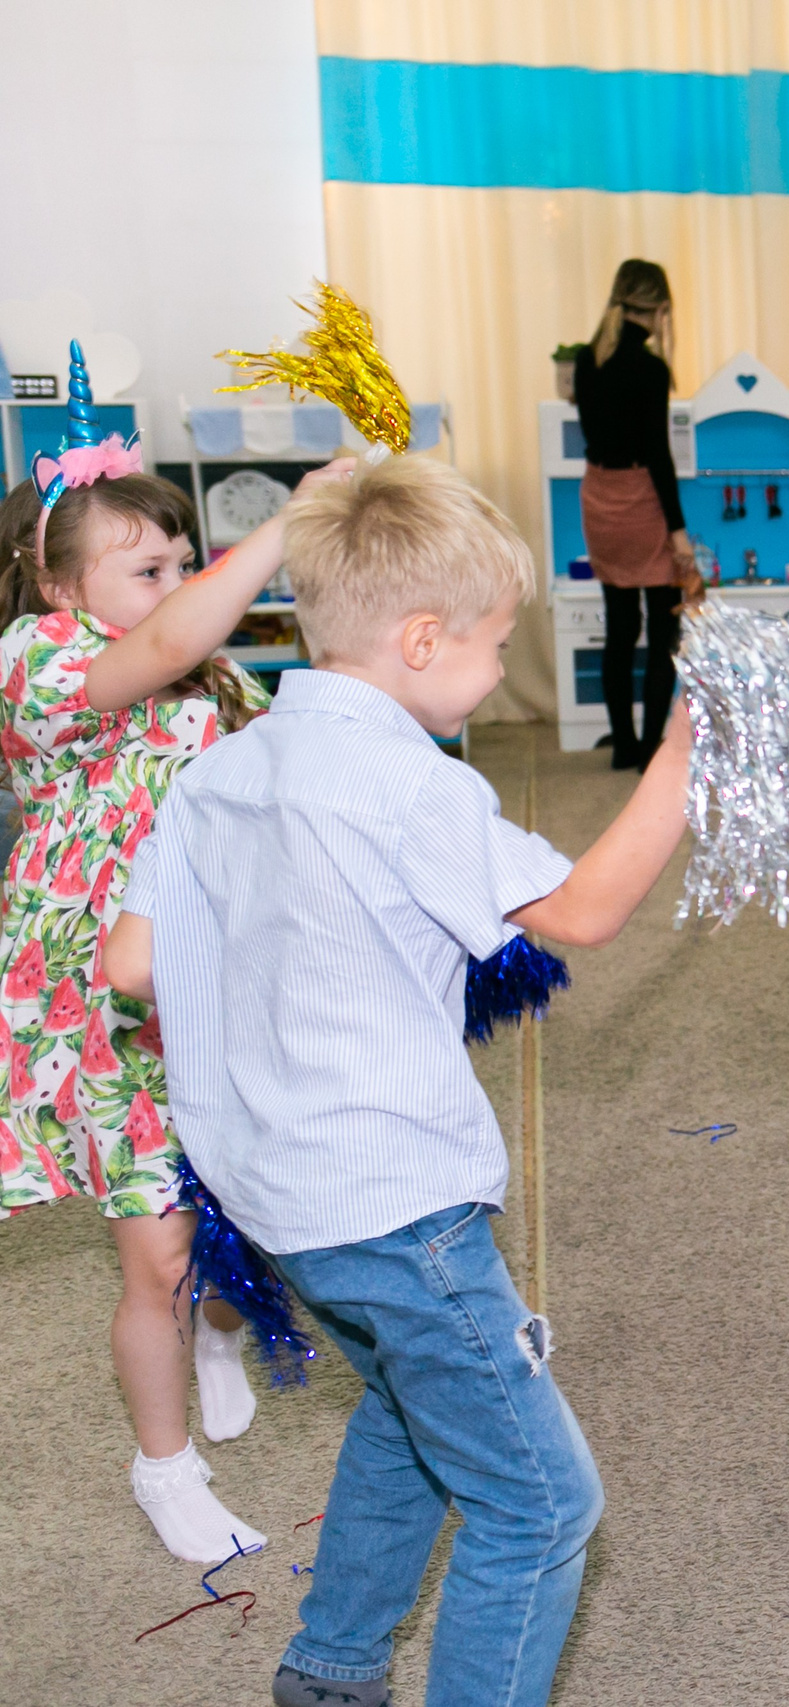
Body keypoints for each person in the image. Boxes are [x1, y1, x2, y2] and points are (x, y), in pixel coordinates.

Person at [104, 455, 697, 1707]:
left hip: (279, 1200)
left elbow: (132, 963)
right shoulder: (415, 785)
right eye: (491, 646)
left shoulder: (214, 774)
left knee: (410, 1412)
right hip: (399, 1209)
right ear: (422, 639)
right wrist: (688, 755)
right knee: (542, 1507)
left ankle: (330, 1670)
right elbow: (584, 910)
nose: (495, 669)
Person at [0, 405, 346, 1561]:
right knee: (153, 1245)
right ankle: (165, 1467)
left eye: (183, 561)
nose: (180, 583)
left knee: (237, 1201)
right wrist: (291, 520)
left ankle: (217, 1322)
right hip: (108, 998)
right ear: (61, 591)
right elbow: (143, 655)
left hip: (222, 975)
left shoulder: (209, 681)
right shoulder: (39, 661)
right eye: (148, 566)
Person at [573, 258, 698, 769]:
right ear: (661, 308)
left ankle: (623, 747)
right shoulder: (650, 369)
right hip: (642, 500)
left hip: (599, 498)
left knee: (621, 628)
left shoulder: (587, 359)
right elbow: (657, 454)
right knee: (663, 631)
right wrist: (679, 531)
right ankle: (650, 750)